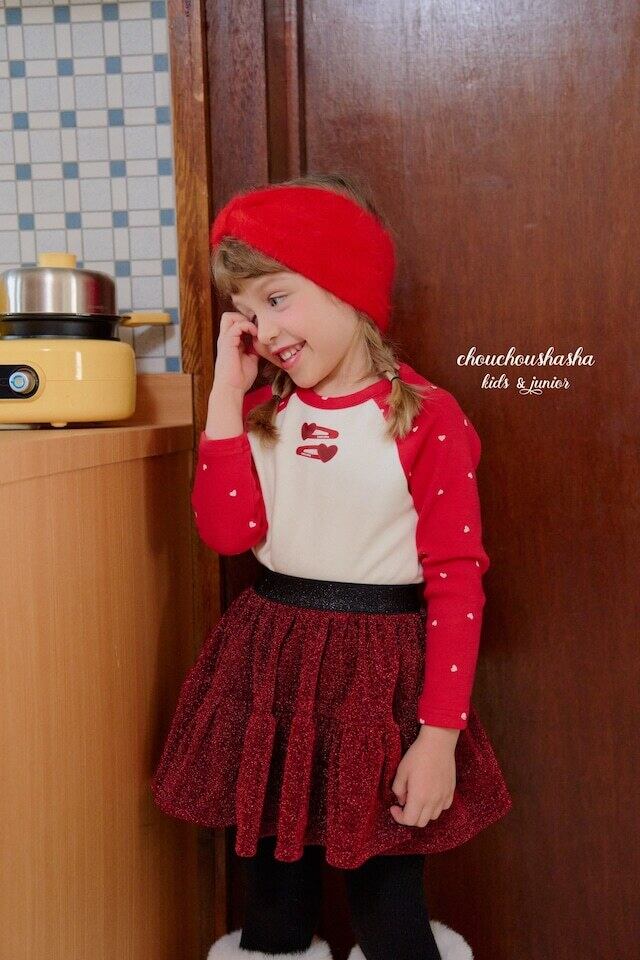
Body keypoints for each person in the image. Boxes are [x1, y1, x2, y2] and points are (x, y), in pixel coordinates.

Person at [150, 172, 513, 960]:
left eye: (277, 298)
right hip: (271, 663)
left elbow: (457, 581)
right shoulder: (262, 414)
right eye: (248, 312)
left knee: (388, 901)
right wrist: (225, 397)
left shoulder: (428, 418)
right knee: (273, 898)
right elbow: (226, 532)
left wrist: (438, 739)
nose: (265, 329)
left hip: (380, 676)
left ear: (347, 286)